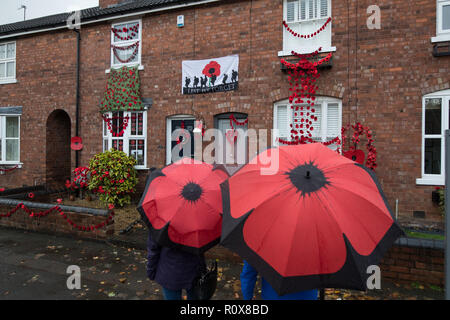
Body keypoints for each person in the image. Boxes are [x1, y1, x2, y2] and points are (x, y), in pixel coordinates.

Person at [146, 232, 206, 300]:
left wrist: (151, 271)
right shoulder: (198, 224)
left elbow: (153, 250)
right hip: (194, 271)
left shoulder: (160, 224)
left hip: (170, 272)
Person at [240, 260, 318, 300]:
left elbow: (248, 275)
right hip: (307, 295)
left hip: (273, 296)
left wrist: (247, 298)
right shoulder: (315, 236)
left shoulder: (259, 237)